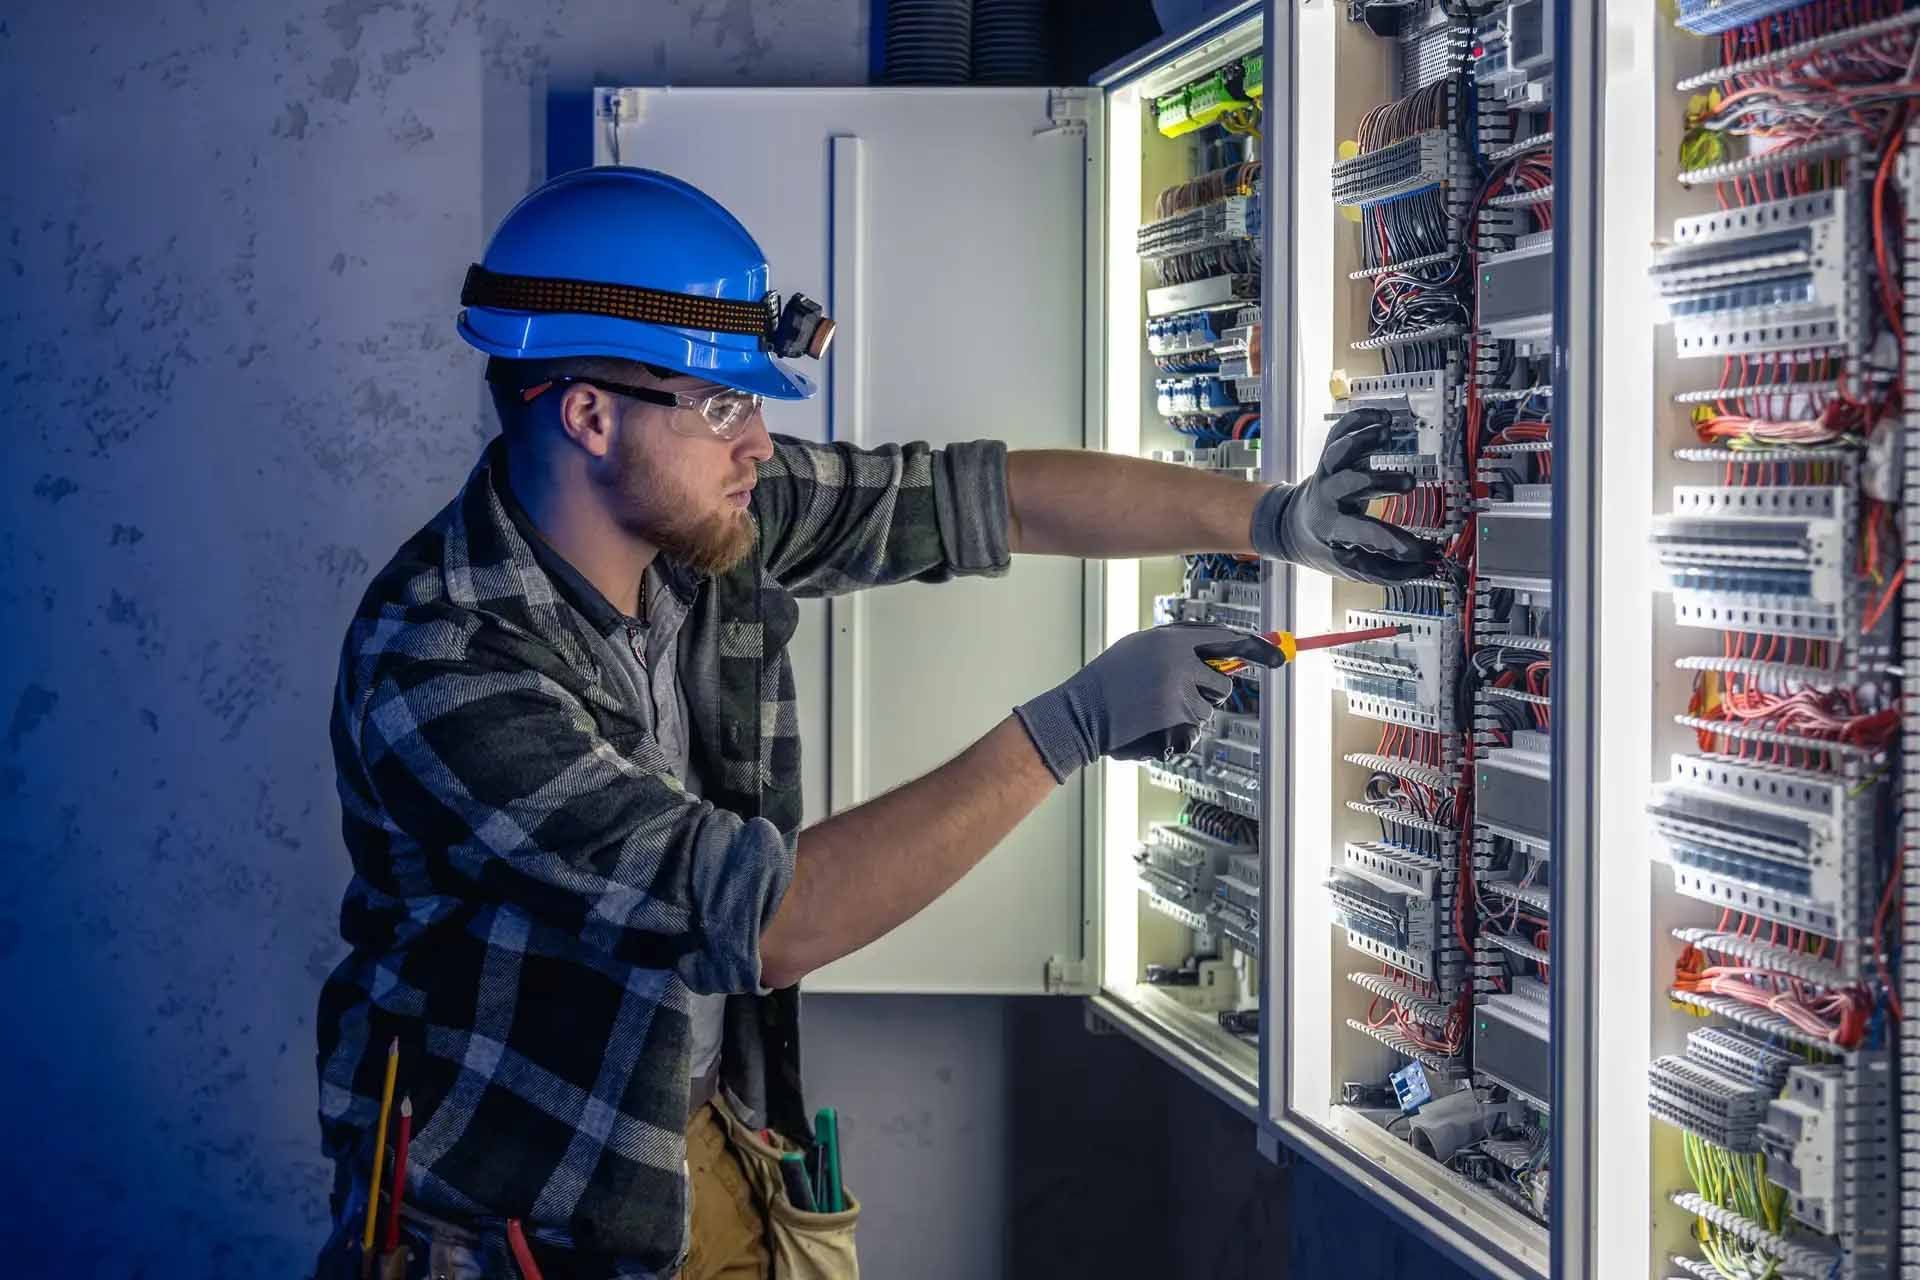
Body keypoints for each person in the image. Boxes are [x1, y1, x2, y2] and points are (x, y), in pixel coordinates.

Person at [311, 166, 1434, 1280]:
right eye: (723, 404)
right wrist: (1071, 726)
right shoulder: (442, 666)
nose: (758, 443)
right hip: (530, 1218)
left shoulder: (698, 523)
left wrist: (1273, 517)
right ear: (590, 414)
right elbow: (761, 921)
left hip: (705, 1126)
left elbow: (974, 498)